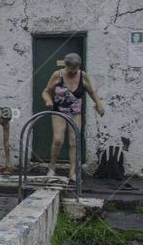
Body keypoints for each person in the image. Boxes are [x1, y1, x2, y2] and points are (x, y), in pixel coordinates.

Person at [41, 53, 106, 182]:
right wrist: (48, 100)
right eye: (70, 70)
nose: (72, 73)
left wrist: (99, 104)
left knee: (74, 142)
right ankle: (52, 168)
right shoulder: (57, 75)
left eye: (75, 70)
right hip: (59, 111)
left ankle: (73, 172)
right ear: (66, 66)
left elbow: (91, 92)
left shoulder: (83, 76)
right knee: (58, 140)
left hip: (75, 112)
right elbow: (46, 91)